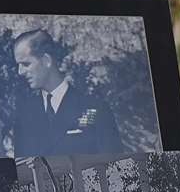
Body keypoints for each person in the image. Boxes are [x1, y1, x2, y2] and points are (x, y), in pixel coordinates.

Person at [11, 29, 122, 157]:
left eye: (26, 64)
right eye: (18, 65)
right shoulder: (24, 116)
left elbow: (114, 165)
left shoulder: (93, 109)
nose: (20, 72)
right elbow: (22, 170)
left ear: (46, 60)